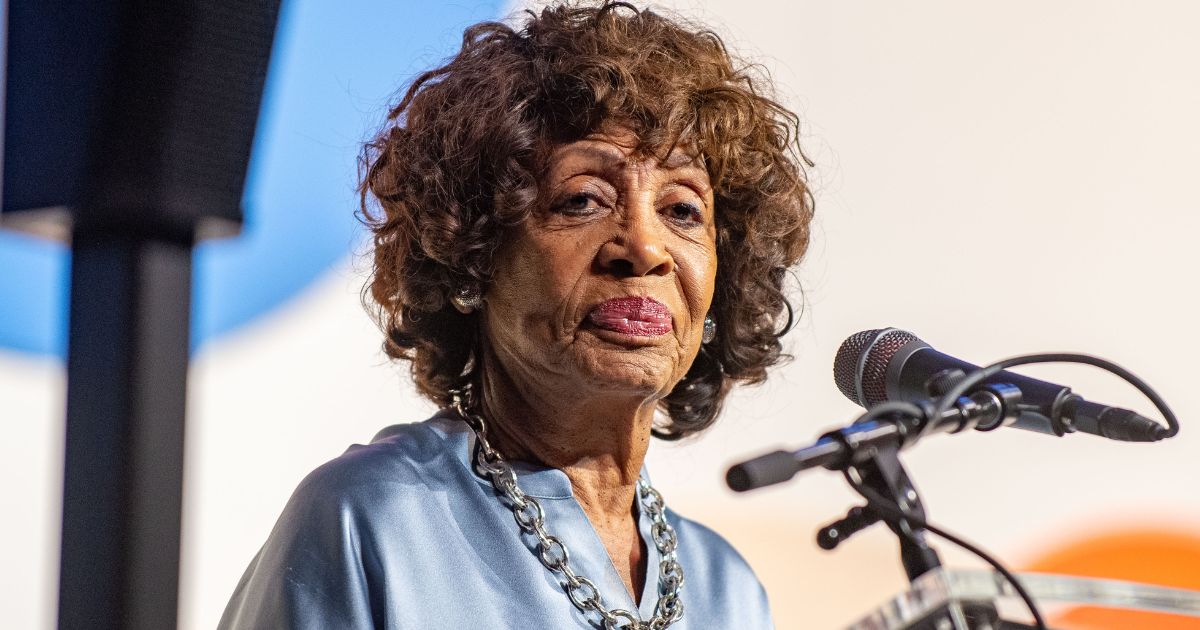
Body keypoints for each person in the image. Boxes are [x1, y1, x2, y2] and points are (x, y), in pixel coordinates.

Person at [219, 2, 813, 628]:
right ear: (471, 262)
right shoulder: (372, 522)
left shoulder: (728, 592)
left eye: (684, 211)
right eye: (583, 200)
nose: (644, 247)